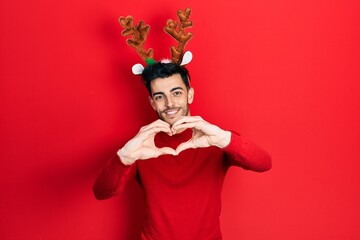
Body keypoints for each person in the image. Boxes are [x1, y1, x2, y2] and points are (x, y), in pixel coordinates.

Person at [93, 62, 272, 240]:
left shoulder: (215, 138)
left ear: (190, 95)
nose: (169, 103)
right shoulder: (142, 146)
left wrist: (222, 138)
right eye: (159, 97)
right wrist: (124, 156)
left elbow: (263, 163)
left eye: (176, 93)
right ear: (152, 103)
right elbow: (101, 192)